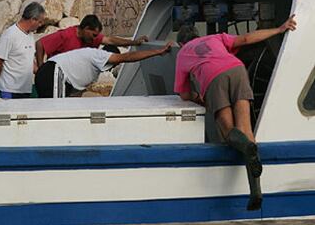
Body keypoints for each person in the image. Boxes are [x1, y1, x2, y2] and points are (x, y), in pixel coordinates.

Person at [174, 15, 297, 211]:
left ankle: (246, 147)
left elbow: (184, 93)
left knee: (228, 132)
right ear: (198, 35)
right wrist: (279, 29)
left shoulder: (183, 54)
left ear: (181, 43)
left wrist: (199, 98)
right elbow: (247, 39)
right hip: (237, 69)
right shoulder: (215, 38)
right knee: (247, 132)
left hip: (214, 79)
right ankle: (256, 192)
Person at [35, 42, 173, 98]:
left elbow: (75, 92)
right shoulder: (99, 55)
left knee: (51, 112)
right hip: (53, 72)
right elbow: (128, 57)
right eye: (113, 62)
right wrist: (156, 51)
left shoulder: (92, 70)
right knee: (55, 112)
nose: (111, 68)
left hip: (50, 74)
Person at [35, 14, 149, 68]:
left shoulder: (91, 38)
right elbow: (40, 44)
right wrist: (41, 67)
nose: (95, 39)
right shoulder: (65, 35)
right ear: (85, 29)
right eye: (93, 35)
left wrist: (134, 42)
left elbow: (110, 40)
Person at [0, 2, 46, 99]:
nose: (41, 25)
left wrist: (43, 74)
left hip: (25, 90)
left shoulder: (30, 35)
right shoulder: (10, 34)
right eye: (40, 22)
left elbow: (28, 60)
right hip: (9, 91)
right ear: (33, 19)